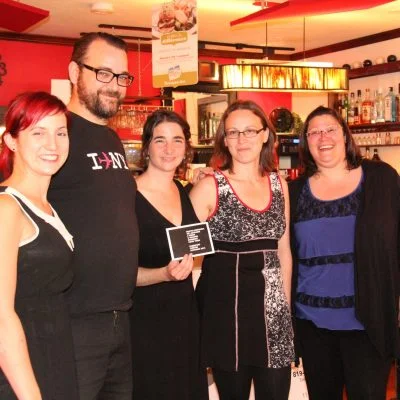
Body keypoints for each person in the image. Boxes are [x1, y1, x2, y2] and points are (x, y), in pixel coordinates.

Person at [48, 32, 139, 399]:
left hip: (119, 319)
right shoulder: (56, 133)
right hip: (73, 321)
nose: (114, 86)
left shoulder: (111, 140)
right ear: (73, 71)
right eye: (103, 73)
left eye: (121, 77)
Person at [289, 106, 400, 400]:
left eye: (330, 130)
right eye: (313, 132)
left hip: (368, 322)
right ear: (306, 142)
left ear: (345, 135)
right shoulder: (293, 191)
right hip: (312, 323)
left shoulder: (382, 179)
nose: (322, 137)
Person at [190, 100, 294, 400]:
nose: (241, 139)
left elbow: (283, 251)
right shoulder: (211, 186)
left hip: (272, 314)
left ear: (265, 135)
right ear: (224, 139)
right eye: (233, 132)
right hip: (227, 313)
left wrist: (283, 309)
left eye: (249, 131)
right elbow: (180, 243)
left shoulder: (279, 185)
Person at [0, 91, 78, 399]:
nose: (53, 144)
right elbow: (2, 315)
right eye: (38, 132)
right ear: (12, 141)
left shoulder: (47, 207)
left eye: (60, 133)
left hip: (53, 359)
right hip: (19, 375)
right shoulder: (7, 208)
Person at [129, 110, 208, 400]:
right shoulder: (127, 195)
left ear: (187, 147)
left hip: (185, 319)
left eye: (177, 140)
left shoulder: (186, 191)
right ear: (146, 146)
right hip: (143, 324)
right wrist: (162, 274)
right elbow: (115, 272)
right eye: (159, 140)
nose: (169, 148)